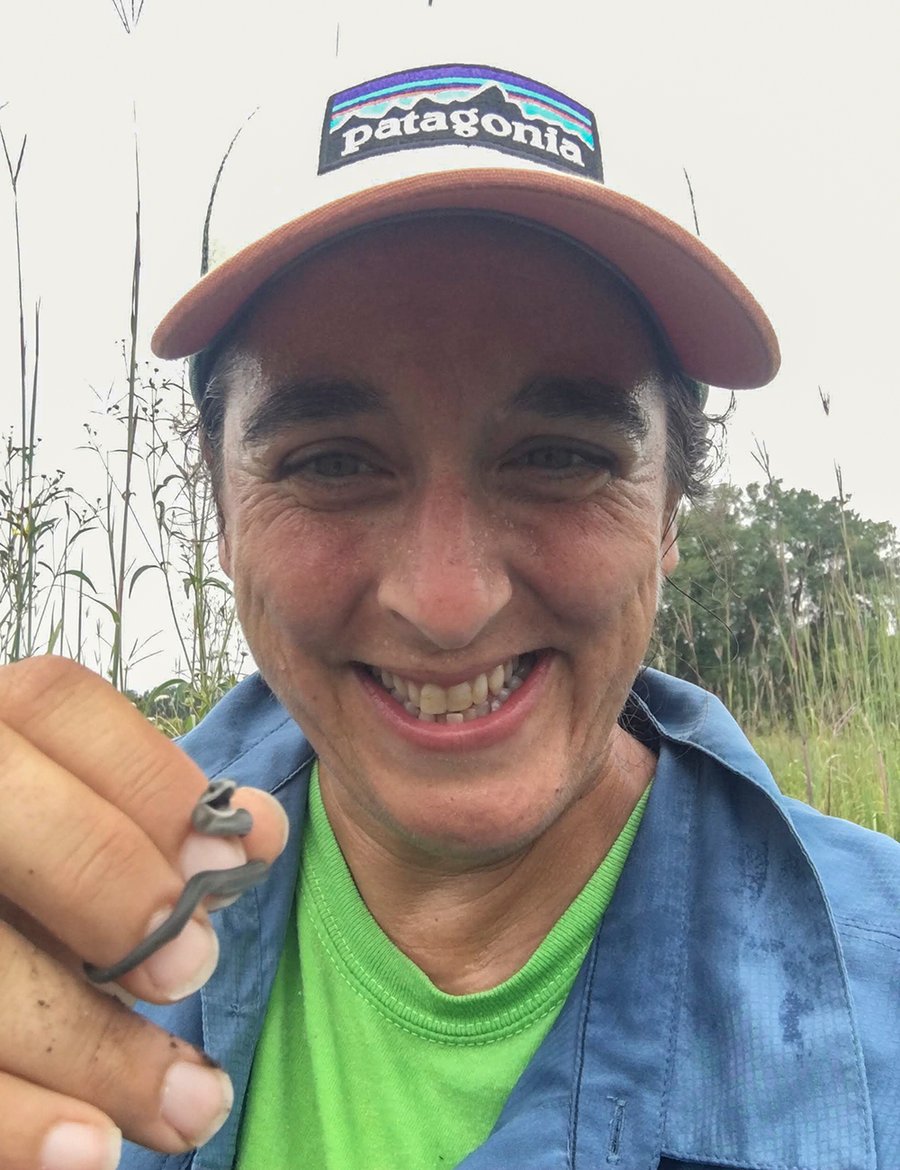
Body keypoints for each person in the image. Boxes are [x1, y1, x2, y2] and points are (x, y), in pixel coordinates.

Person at [2, 52, 898, 1170]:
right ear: (220, 509)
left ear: (671, 508)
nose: (446, 603)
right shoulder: (38, 942)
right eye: (332, 463)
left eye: (560, 456)